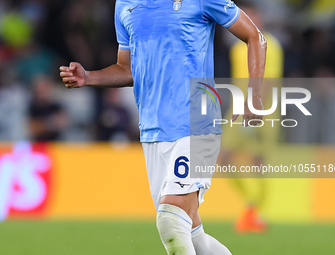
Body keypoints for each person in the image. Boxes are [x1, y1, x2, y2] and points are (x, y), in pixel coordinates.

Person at [60, 0, 266, 254]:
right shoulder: (125, 5)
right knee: (191, 234)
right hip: (153, 131)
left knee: (170, 221)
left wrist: (254, 95)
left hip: (196, 124)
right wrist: (90, 77)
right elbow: (127, 69)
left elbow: (255, 36)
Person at [218, 1, 284, 233]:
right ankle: (250, 204)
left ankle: (255, 213)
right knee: (223, 159)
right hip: (236, 114)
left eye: (254, 15)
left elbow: (268, 81)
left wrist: (255, 111)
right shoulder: (237, 47)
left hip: (263, 114)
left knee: (259, 164)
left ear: (261, 17)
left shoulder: (271, 45)